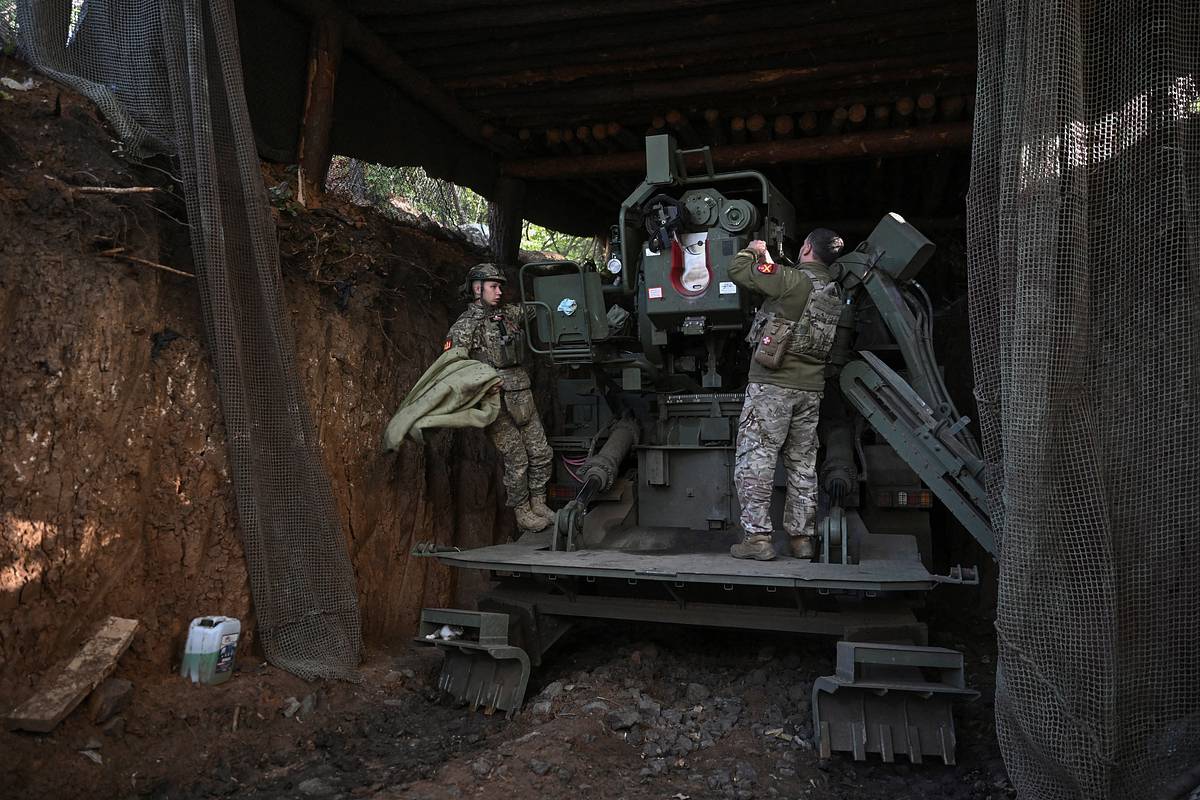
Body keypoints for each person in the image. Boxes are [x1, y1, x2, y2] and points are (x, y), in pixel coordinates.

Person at [727, 230, 845, 560]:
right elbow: (793, 306)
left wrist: (753, 251)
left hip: (772, 387)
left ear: (805, 247)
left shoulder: (791, 281)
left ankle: (758, 540)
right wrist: (770, 265)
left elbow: (737, 271)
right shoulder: (833, 292)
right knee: (802, 464)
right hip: (810, 391)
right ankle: (801, 539)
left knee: (757, 459)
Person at [445, 263, 555, 533]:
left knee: (541, 453)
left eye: (500, 286)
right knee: (517, 460)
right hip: (494, 404)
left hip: (521, 395)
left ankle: (539, 502)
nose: (499, 291)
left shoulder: (507, 314)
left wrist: (562, 300)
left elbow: (536, 308)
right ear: (476, 288)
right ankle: (522, 512)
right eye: (493, 286)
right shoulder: (464, 327)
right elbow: (453, 368)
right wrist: (480, 387)